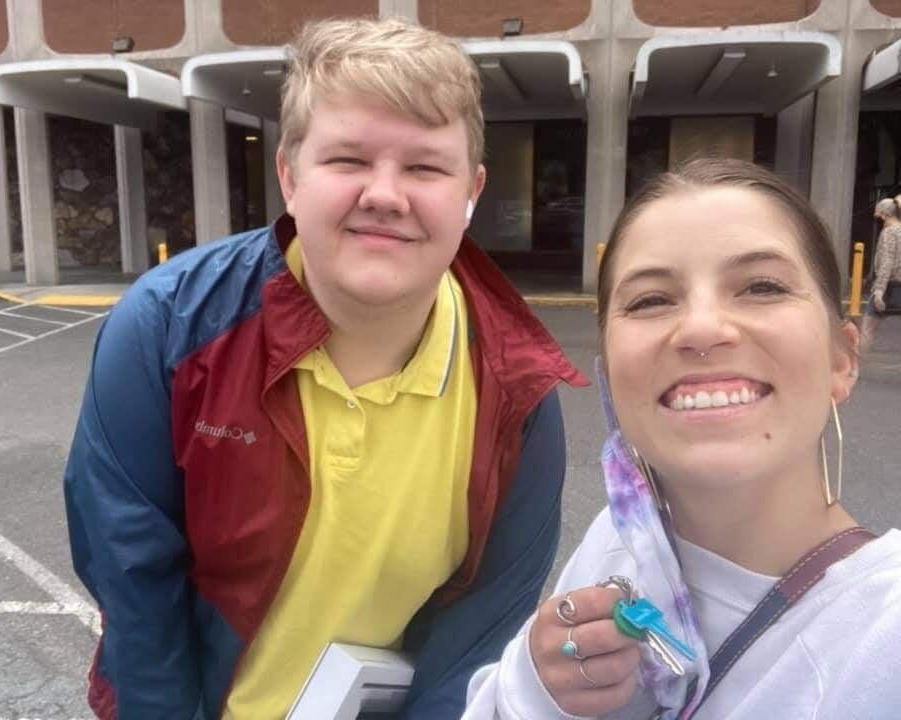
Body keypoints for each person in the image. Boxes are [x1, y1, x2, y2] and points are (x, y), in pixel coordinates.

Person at [62, 16, 586, 720]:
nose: (385, 194)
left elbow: (478, 635)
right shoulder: (166, 328)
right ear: (289, 174)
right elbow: (134, 588)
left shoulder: (518, 391)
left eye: (426, 167)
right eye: (348, 160)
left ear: (472, 192)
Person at [464, 158, 901, 719]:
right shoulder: (619, 543)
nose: (700, 328)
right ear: (609, 373)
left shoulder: (883, 637)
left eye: (761, 287)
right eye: (651, 300)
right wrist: (534, 689)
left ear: (842, 360)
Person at [859, 195, 901, 354]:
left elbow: (887, 263)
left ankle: (854, 367)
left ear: (884, 214)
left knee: (867, 329)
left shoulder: (889, 233)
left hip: (890, 287)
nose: (877, 216)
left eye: (878, 213)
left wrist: (879, 291)